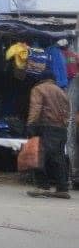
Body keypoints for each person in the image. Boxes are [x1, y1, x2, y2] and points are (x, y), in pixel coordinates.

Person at [26, 71, 71, 199]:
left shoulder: (38, 89)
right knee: (58, 158)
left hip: (44, 126)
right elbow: (68, 112)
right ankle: (62, 188)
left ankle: (42, 186)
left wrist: (30, 125)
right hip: (60, 128)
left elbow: (36, 108)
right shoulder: (62, 91)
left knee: (38, 155)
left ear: (42, 79)